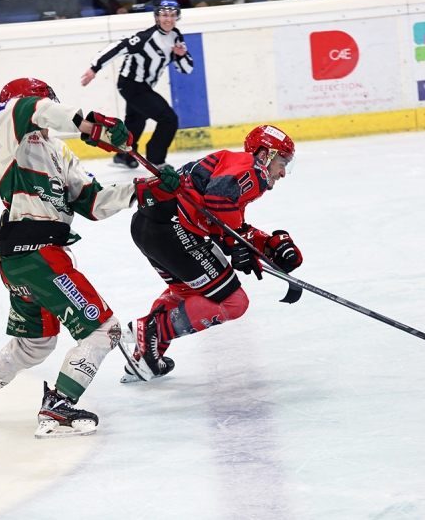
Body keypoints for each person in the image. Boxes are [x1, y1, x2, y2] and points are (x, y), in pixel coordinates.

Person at [0, 77, 182, 438]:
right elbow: (33, 108)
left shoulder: (58, 151)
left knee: (33, 344)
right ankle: (59, 407)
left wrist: (142, 190)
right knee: (105, 330)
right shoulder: (8, 124)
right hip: (38, 254)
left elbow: (94, 204)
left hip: (22, 257)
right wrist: (92, 124)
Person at [120, 125, 304, 382]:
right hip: (174, 229)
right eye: (282, 162)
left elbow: (229, 223)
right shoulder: (253, 168)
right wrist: (237, 244)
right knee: (234, 302)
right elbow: (219, 197)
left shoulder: (235, 165)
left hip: (148, 227)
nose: (283, 172)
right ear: (265, 155)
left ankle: (145, 359)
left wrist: (269, 244)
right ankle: (149, 330)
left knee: (186, 292)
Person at [81, 0, 193, 169]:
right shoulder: (145, 38)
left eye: (172, 15)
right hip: (131, 85)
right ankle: (156, 159)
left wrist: (181, 55)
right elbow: (118, 48)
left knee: (136, 121)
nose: (169, 19)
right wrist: (94, 67)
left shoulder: (176, 36)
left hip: (144, 86)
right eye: (164, 15)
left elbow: (186, 69)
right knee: (168, 119)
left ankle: (123, 155)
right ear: (157, 17)